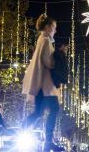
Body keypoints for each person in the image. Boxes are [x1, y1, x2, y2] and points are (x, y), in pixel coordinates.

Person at [22, 14, 63, 152]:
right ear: (47, 27)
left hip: (42, 86)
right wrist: (61, 55)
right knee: (54, 109)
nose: (55, 30)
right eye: (54, 27)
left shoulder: (42, 39)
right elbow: (48, 62)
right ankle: (48, 142)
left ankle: (25, 130)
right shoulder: (45, 40)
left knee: (39, 113)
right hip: (46, 86)